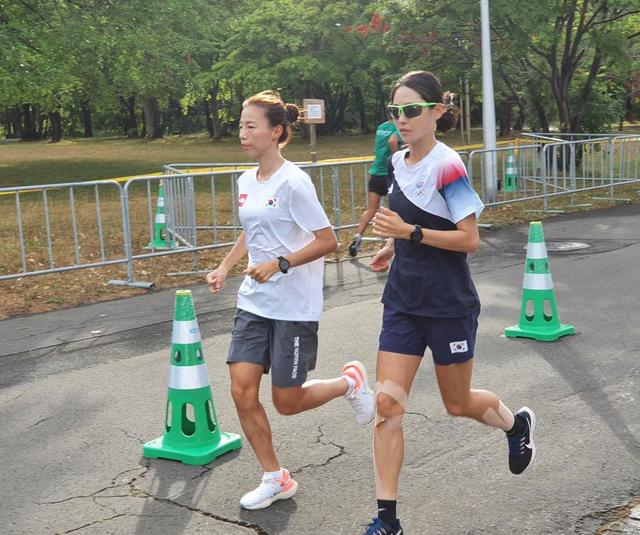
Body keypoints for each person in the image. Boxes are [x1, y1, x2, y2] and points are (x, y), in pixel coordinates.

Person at [361, 71, 536, 535]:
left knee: (457, 404)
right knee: (387, 405)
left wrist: (409, 233)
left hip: (448, 304)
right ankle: (387, 521)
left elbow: (468, 240)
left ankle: (515, 425)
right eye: (395, 111)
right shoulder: (398, 162)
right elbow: (410, 225)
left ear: (437, 112)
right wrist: (394, 247)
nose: (402, 119)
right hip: (402, 301)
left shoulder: (447, 165)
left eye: (412, 110)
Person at [206, 90, 375, 511]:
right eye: (241, 125)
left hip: (294, 308)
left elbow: (328, 241)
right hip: (254, 302)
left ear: (276, 131)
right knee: (242, 392)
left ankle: (349, 383)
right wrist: (226, 266)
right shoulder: (247, 181)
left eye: (250, 126)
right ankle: (275, 477)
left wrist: (280, 263)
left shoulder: (294, 182)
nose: (242, 133)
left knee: (287, 401)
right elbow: (251, 231)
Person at [348, 120, 404, 257]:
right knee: (397, 213)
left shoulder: (381, 127)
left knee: (371, 210)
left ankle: (357, 236)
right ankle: (390, 246)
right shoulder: (398, 128)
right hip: (390, 174)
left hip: (376, 173)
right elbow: (392, 142)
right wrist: (397, 157)